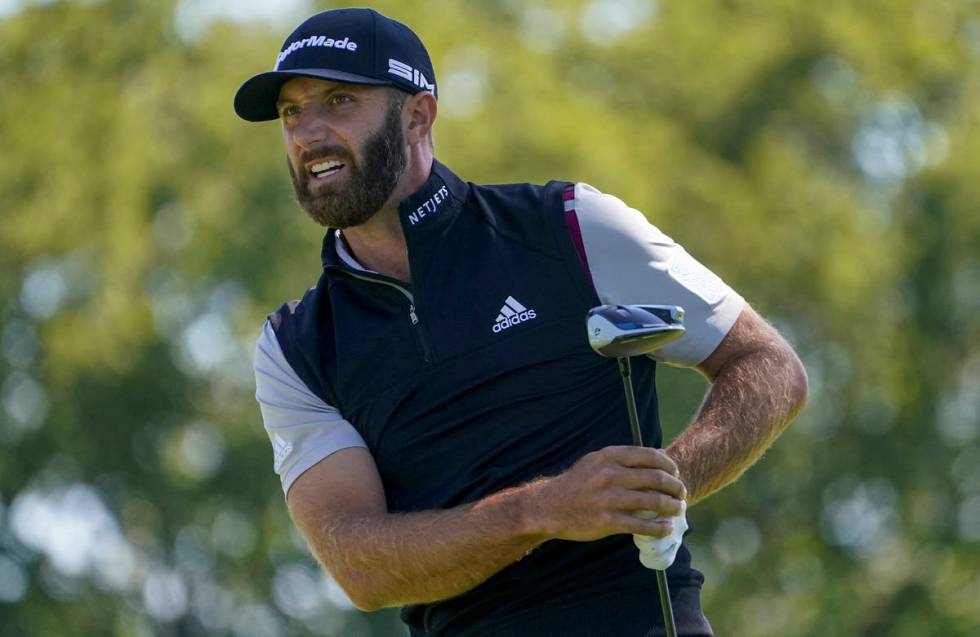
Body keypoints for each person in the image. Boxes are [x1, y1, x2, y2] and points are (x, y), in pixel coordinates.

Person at [238, 8, 808, 637]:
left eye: (338, 100)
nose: (307, 132)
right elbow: (360, 566)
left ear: (417, 115)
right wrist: (545, 508)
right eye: (291, 111)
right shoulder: (295, 347)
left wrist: (664, 484)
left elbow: (768, 364)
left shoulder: (568, 225)